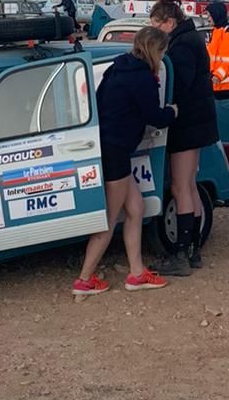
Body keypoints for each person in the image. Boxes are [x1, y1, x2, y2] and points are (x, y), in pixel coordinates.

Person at [72, 26, 175, 297]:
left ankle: (137, 273)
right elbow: (155, 116)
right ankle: (84, 279)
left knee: (136, 208)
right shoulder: (143, 78)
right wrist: (172, 112)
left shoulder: (116, 68)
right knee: (109, 217)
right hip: (117, 151)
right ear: (156, 51)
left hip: (108, 146)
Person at [149, 0, 217, 275]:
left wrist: (165, 109)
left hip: (188, 124)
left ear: (169, 22)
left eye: (156, 25)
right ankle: (193, 250)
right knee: (189, 185)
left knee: (180, 187)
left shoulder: (182, 46)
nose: (154, 31)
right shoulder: (189, 39)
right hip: (198, 122)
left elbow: (180, 87)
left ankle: (181, 253)